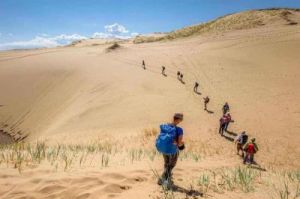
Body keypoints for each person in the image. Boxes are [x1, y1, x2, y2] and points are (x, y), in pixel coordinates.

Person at [156, 113, 185, 189]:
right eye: (181, 119)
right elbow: (179, 143)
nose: (181, 121)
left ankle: (165, 179)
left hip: (164, 149)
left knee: (166, 163)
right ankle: (163, 180)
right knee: (171, 165)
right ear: (178, 120)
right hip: (173, 150)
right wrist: (182, 144)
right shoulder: (179, 129)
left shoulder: (165, 126)